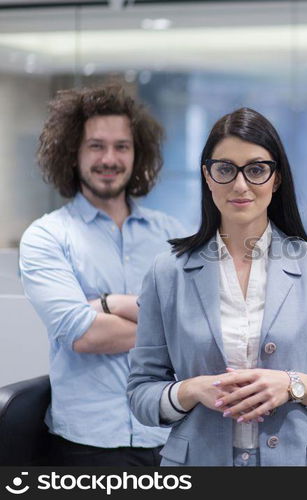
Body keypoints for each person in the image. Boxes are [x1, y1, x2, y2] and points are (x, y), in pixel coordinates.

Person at [127, 107, 307, 467]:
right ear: (207, 177)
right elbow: (141, 394)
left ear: (277, 179)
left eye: (256, 170)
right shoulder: (169, 272)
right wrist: (192, 390)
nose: (240, 185)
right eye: (225, 169)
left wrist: (292, 385)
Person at [19, 84, 185, 465]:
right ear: (72, 153)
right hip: (89, 446)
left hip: (171, 437)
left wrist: (109, 304)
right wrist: (165, 326)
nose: (109, 158)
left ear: (136, 153)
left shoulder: (172, 235)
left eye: (121, 146)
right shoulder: (47, 237)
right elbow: (84, 334)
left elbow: (200, 325)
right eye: (96, 145)